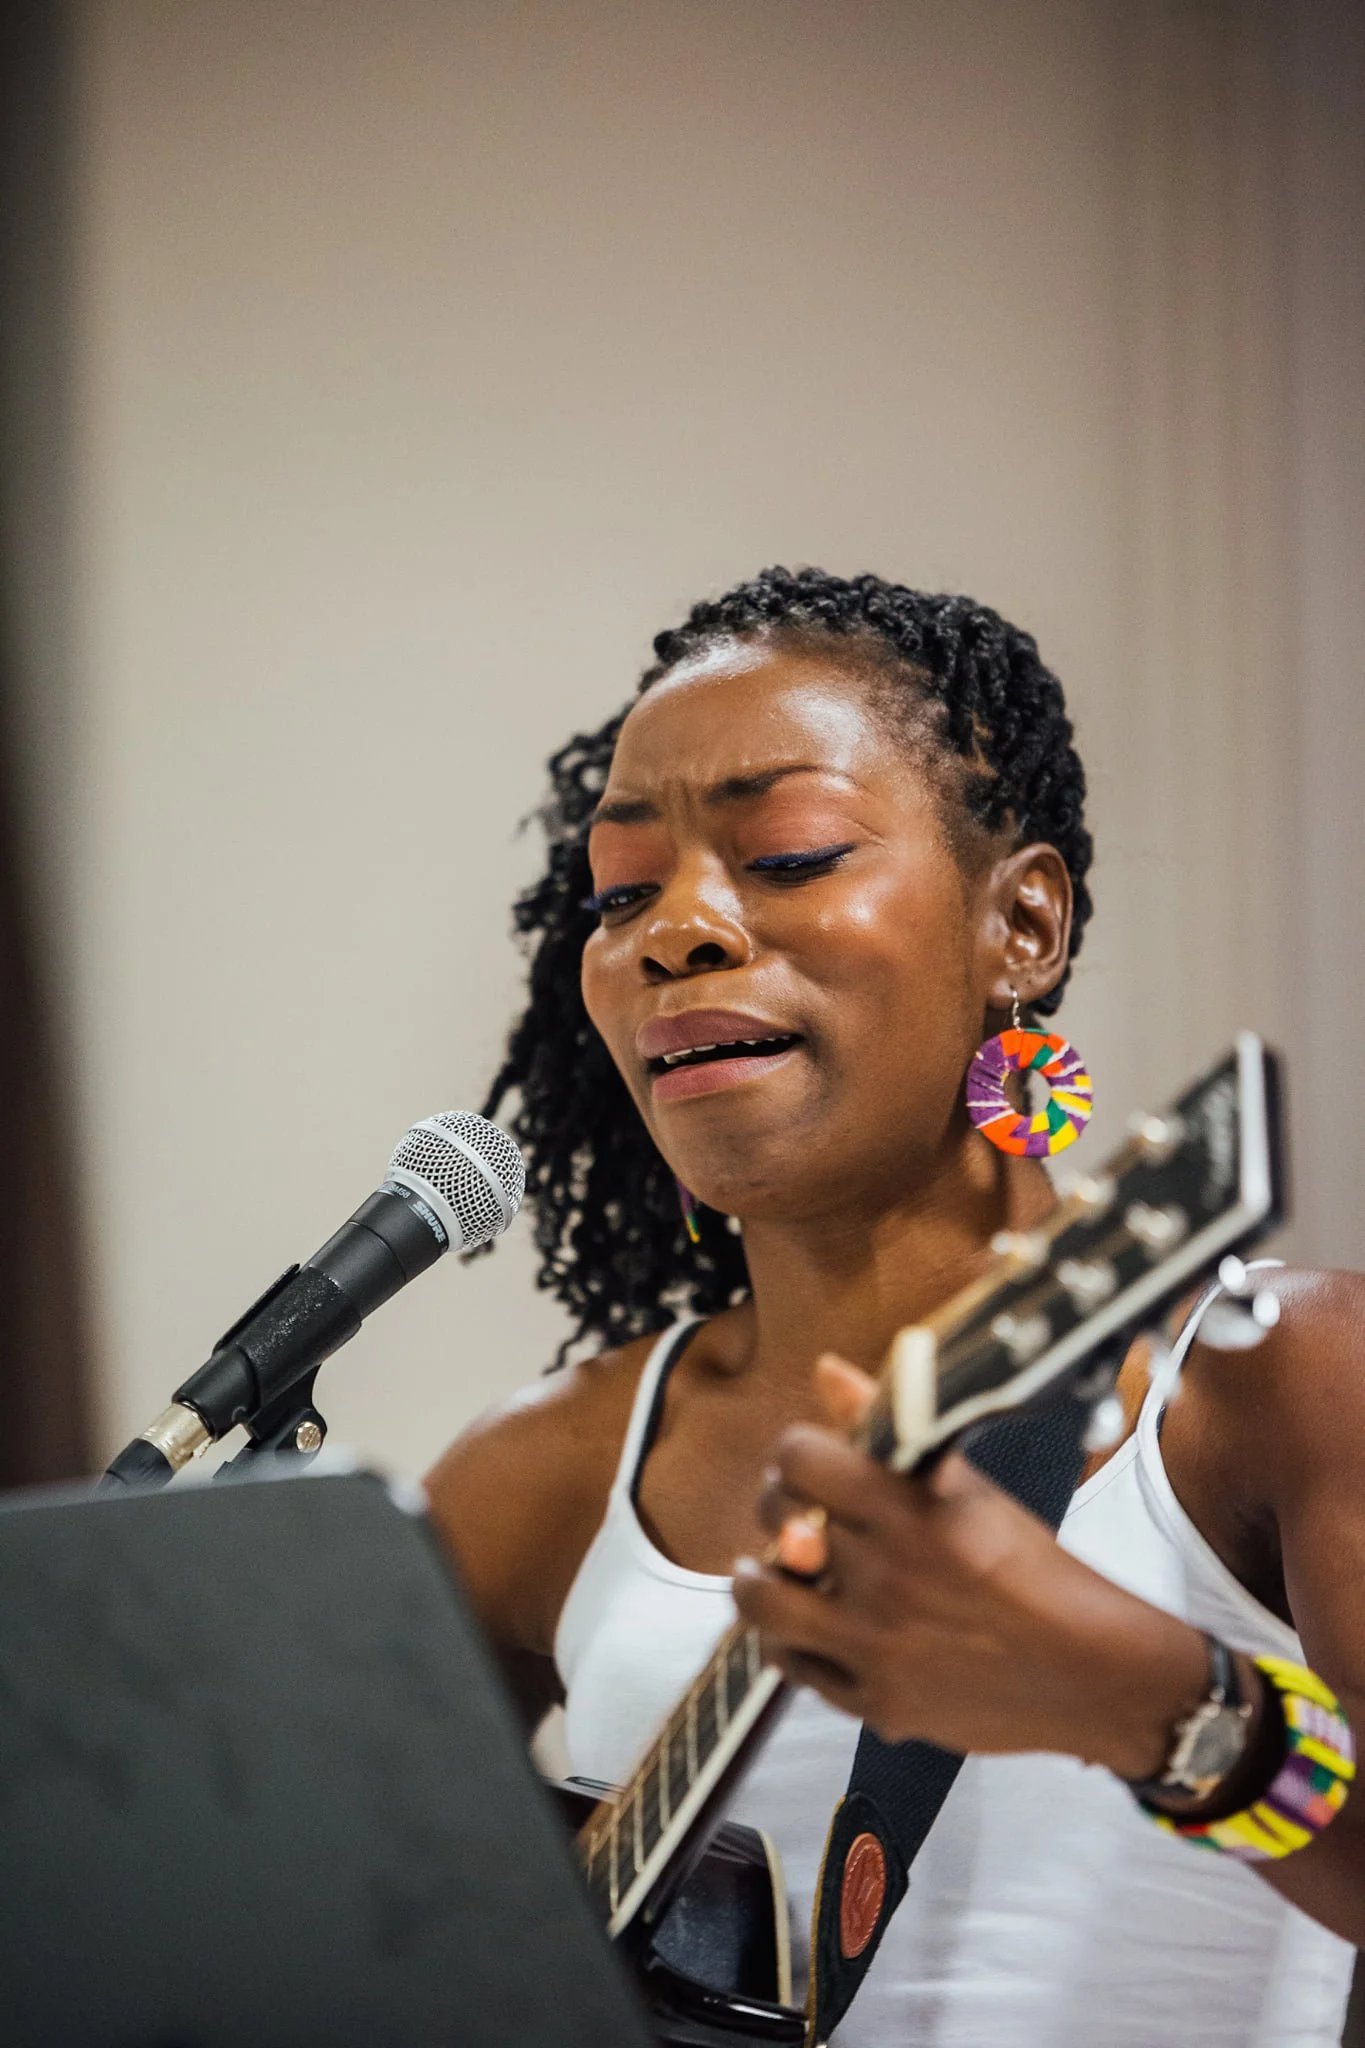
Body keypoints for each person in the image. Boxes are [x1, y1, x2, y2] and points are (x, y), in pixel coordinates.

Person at [425, 567, 1364, 2045]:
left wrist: (1164, 1709)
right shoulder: (540, 1473)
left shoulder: (1281, 1380)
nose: (678, 930)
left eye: (788, 854)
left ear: (1024, 926)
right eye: (621, 893)